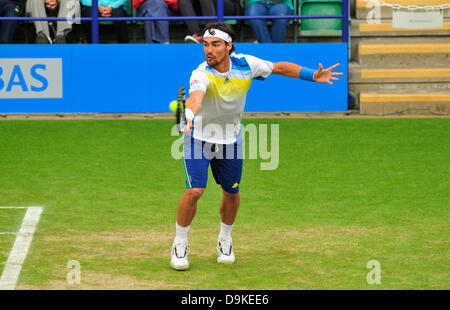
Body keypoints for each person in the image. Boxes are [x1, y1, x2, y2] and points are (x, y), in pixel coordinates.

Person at [170, 22, 343, 270]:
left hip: (232, 141)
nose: (209, 50)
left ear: (229, 46)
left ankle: (225, 239)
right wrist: (188, 113)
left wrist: (312, 75)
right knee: (195, 191)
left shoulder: (246, 64)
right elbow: (195, 97)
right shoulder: (201, 73)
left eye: (216, 45)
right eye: (206, 45)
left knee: (232, 193)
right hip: (199, 139)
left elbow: (280, 67)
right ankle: (180, 242)